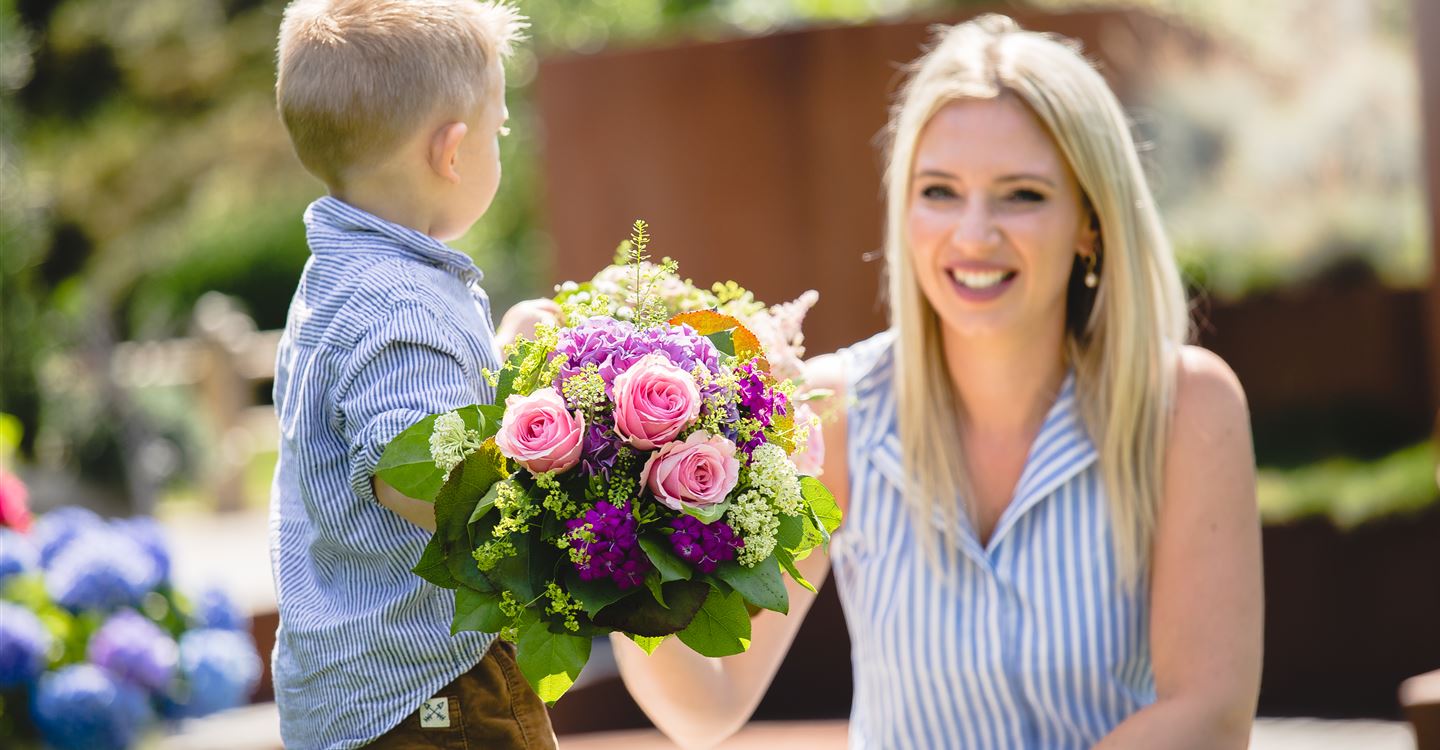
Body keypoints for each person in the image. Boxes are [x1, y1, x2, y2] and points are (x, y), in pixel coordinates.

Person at [612, 15, 1263, 749]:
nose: (974, 234)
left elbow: (1208, 714)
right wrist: (609, 544)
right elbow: (710, 705)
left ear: (1091, 221)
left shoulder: (1186, 408)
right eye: (941, 191)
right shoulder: (833, 412)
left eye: (1022, 195)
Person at [269, 1, 558, 747]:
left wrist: (504, 354)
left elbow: (406, 410)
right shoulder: (401, 303)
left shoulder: (341, 274)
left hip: (360, 689)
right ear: (452, 153)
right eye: (499, 128)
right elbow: (417, 481)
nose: (505, 140)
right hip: (437, 689)